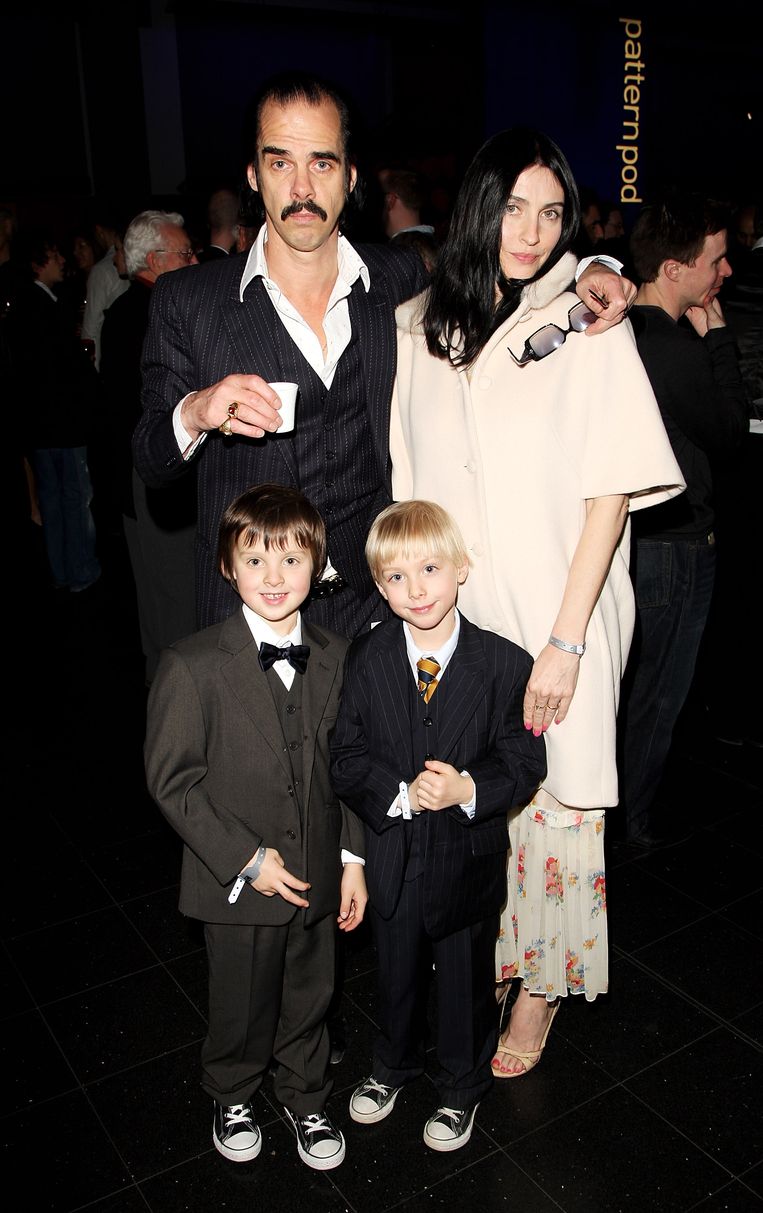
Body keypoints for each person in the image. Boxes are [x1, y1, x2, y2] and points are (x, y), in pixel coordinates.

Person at [132, 71, 633, 639]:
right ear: (253, 176)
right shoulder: (188, 300)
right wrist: (197, 410)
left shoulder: (398, 279)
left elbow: (500, 270)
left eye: (321, 163)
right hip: (246, 619)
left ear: (349, 177)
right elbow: (152, 459)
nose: (301, 188)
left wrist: (598, 269)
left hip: (377, 612)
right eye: (280, 163)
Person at [389, 127, 684, 1077]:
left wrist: (565, 641)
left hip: (559, 614)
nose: (531, 230)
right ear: (478, 206)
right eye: (513, 207)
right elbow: (408, 486)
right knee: (485, 811)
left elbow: (611, 491)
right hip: (462, 622)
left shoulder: (591, 319)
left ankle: (542, 993)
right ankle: (501, 961)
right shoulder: (417, 329)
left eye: (552, 212)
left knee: (557, 806)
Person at [144, 483, 367, 1170]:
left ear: (318, 566)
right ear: (225, 566)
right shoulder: (192, 664)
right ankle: (233, 1090)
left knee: (311, 992)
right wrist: (247, 858)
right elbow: (172, 781)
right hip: (237, 882)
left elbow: (354, 766)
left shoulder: (337, 653)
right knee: (240, 997)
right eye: (254, 560)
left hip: (319, 870)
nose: (274, 578)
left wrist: (353, 857)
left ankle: (305, 1094)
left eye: (292, 560)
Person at [330, 501, 545, 1149]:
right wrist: (395, 794)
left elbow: (523, 762)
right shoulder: (364, 657)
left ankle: (460, 1086)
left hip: (465, 860)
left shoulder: (504, 664)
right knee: (393, 974)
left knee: (463, 982)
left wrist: (465, 787)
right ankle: (391, 1065)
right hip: (392, 852)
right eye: (395, 577)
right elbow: (344, 755)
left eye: (428, 568)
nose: (415, 588)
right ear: (377, 583)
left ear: (460, 568)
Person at [617, 196, 749, 843]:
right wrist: (718, 336)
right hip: (674, 545)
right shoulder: (671, 346)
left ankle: (617, 815)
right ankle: (631, 823)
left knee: (632, 690)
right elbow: (728, 433)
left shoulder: (620, 330)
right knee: (657, 696)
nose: (724, 271)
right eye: (715, 260)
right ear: (674, 269)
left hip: (637, 540)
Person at [101, 210, 199, 680]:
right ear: (156, 259)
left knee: (156, 613)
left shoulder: (124, 310)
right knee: (175, 614)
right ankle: (179, 735)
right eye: (186, 253)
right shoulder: (155, 311)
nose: (195, 260)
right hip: (155, 482)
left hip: (133, 481)